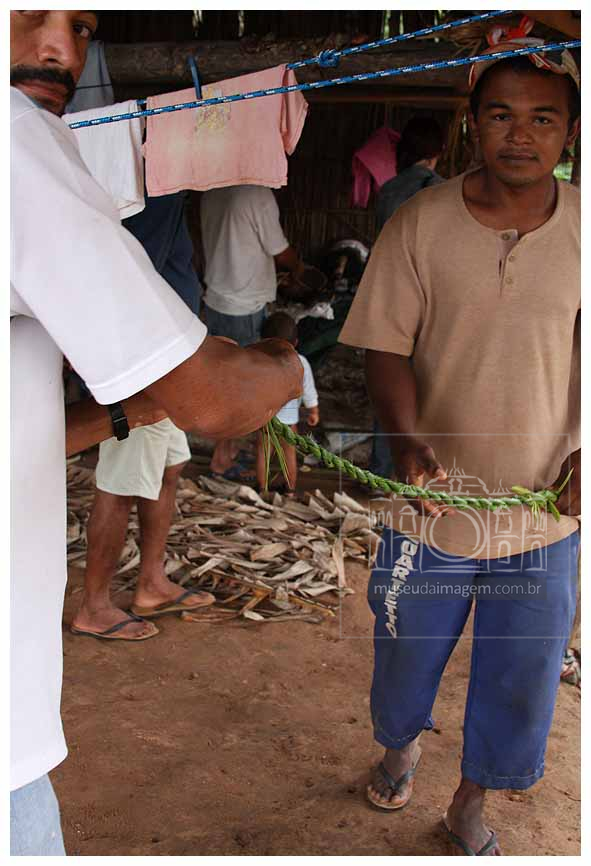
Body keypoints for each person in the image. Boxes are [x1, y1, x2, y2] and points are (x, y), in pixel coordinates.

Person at [10, 9, 302, 855]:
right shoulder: (17, 140)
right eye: (28, 11)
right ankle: (116, 595)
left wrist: (120, 411)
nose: (59, 49)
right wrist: (287, 367)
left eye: (82, 26)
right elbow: (215, 400)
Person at [339, 40, 580, 856]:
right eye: (501, 115)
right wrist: (406, 442)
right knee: (405, 647)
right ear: (471, 124)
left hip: (542, 510)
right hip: (430, 501)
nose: (521, 134)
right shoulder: (420, 222)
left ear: (569, 132)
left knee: (521, 669)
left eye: (542, 118)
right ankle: (399, 746)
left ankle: (471, 801)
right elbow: (385, 346)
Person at [71, 192, 213, 642]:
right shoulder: (152, 191)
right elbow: (131, 276)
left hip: (170, 360)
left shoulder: (169, 194)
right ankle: (94, 606)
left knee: (170, 467)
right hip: (147, 362)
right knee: (121, 484)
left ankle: (151, 582)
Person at [200, 184, 304, 476]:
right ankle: (223, 457)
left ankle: (226, 451)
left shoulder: (211, 189)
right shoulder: (256, 194)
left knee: (222, 382)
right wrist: (299, 268)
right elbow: (280, 251)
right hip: (245, 306)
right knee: (240, 390)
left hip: (216, 299)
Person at [370, 116, 444, 479]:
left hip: (391, 298)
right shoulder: (443, 192)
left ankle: (382, 470)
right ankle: (424, 470)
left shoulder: (388, 191)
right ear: (438, 151)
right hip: (433, 301)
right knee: (427, 383)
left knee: (388, 383)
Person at [255, 313, 319, 495]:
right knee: (289, 454)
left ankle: (262, 489)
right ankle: (290, 490)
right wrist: (313, 411)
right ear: (296, 342)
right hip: (289, 422)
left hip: (265, 420)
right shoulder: (301, 363)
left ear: (263, 340)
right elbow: (309, 390)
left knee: (263, 454)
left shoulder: (258, 361)